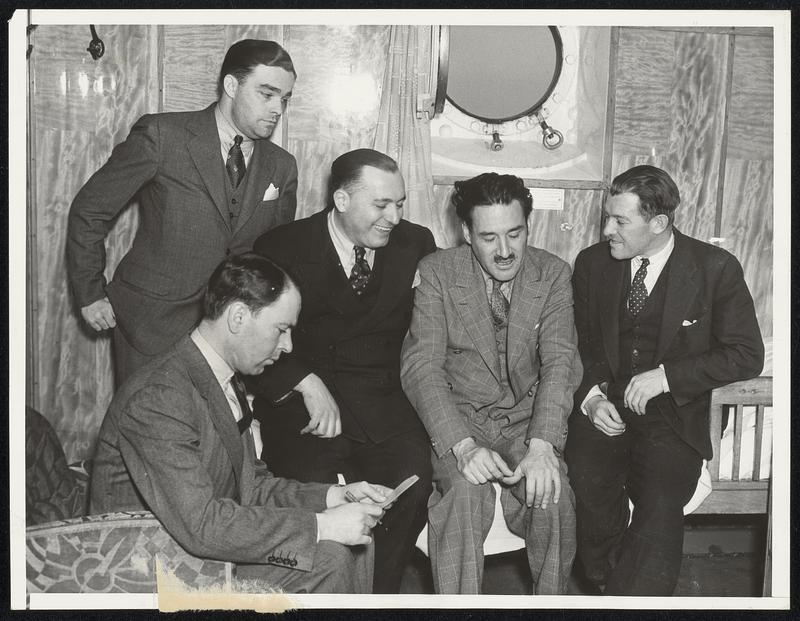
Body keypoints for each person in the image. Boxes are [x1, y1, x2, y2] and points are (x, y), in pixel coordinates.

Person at [90, 253, 390, 593]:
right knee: (330, 557)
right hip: (152, 569)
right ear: (238, 317)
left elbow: (251, 488)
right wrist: (322, 526)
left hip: (202, 551)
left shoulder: (222, 380)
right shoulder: (159, 396)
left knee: (358, 536)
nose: (288, 346)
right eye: (281, 329)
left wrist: (333, 498)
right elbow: (202, 524)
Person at [566, 165, 764, 596]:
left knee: (659, 500)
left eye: (620, 221)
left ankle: (629, 601)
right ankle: (604, 583)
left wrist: (667, 376)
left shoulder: (714, 268)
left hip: (674, 417)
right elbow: (580, 344)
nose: (606, 230)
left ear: (658, 223)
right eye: (607, 217)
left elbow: (747, 353)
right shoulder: (591, 264)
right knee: (586, 480)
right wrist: (592, 398)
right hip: (607, 407)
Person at [250, 148, 436, 593]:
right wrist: (302, 379)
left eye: (399, 203)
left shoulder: (415, 243)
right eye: (381, 205)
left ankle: (377, 598)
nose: (394, 217)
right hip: (305, 407)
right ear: (341, 200)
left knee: (412, 482)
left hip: (384, 404)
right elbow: (253, 338)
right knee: (314, 494)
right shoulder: (282, 247)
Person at [67, 39, 299, 387]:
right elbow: (90, 210)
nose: (277, 108)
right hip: (151, 324)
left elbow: (275, 259)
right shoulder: (162, 136)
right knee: (143, 430)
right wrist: (89, 293)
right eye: (267, 94)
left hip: (230, 335)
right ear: (232, 86)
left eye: (284, 98)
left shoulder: (282, 166)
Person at [400, 172, 581, 594]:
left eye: (514, 234)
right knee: (461, 498)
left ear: (528, 227)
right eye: (488, 238)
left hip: (526, 422)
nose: (504, 252)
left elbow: (559, 363)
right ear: (466, 232)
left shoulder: (552, 274)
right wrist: (462, 446)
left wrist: (542, 447)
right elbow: (421, 367)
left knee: (554, 497)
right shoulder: (437, 273)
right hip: (462, 422)